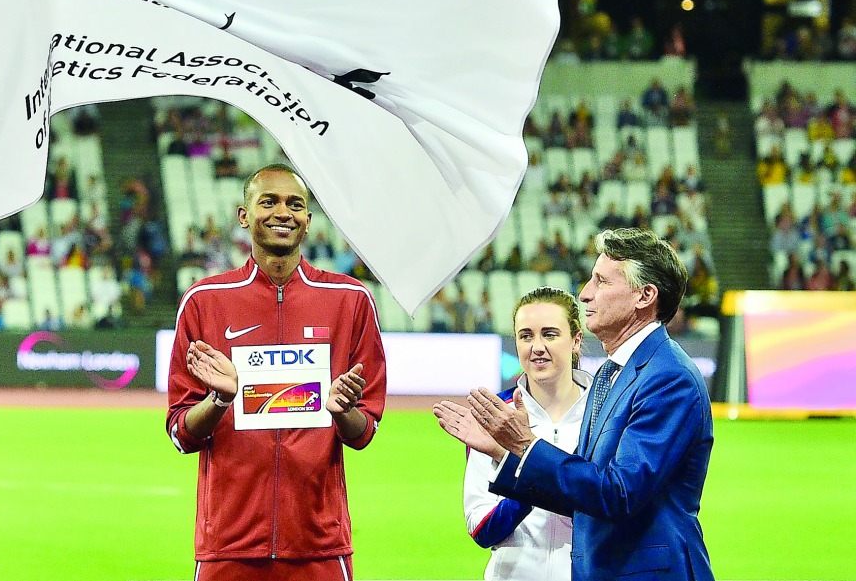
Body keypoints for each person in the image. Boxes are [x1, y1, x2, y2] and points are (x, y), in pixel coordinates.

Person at [439, 228, 713, 581]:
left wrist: (525, 447)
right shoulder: (612, 374)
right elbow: (583, 493)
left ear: (645, 296)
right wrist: (507, 455)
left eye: (601, 282)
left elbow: (618, 494)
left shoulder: (667, 377)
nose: (585, 294)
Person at [166, 163, 387, 581]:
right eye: (268, 201)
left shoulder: (350, 301)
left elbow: (364, 434)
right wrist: (219, 399)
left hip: (319, 547)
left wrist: (341, 410)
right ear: (244, 215)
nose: (282, 212)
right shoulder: (204, 302)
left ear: (307, 221)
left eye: (295, 204)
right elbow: (181, 433)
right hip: (227, 546)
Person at [435, 286, 591, 581]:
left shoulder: (607, 410)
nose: (537, 346)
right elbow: (482, 529)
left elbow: (613, 506)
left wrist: (518, 464)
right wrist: (526, 492)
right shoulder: (494, 415)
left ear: (576, 340)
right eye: (526, 335)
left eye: (550, 334)